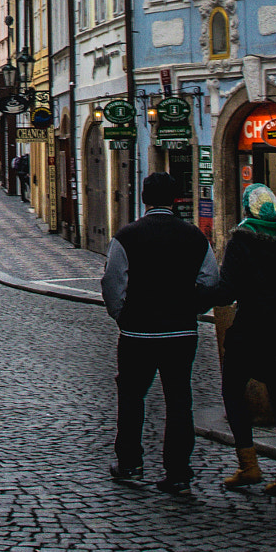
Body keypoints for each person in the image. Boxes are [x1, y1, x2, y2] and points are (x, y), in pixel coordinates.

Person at [101, 171, 220, 495]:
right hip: (181, 333)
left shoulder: (127, 236)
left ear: (144, 199)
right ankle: (178, 471)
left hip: (138, 334)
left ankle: (130, 464)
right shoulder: (195, 237)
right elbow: (211, 280)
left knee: (131, 398)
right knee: (179, 401)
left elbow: (112, 283)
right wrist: (191, 308)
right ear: (175, 199)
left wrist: (121, 317)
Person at [213, 183, 276, 500]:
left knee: (232, 390)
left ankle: (249, 464)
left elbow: (227, 291)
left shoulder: (242, 240)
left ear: (246, 210)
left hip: (251, 332)